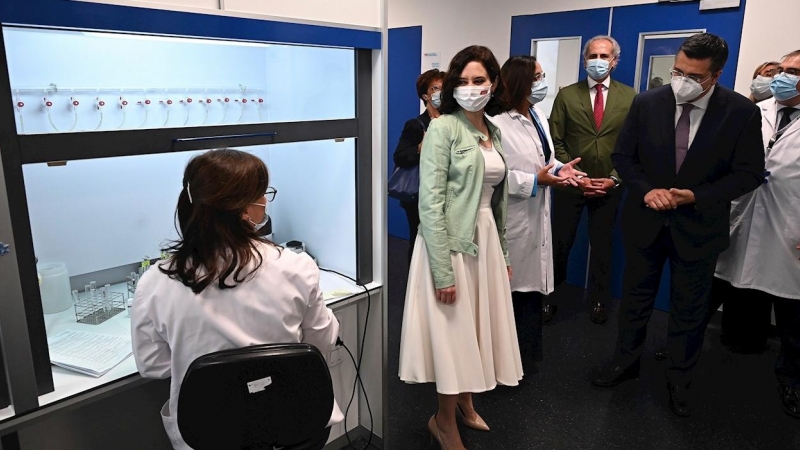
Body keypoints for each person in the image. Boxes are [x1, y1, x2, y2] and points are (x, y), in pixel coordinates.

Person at [596, 33, 765, 418]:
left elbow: (749, 173)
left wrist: (696, 196)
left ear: (715, 75)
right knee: (635, 302)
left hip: (699, 225)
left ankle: (679, 380)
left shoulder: (740, 112)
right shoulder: (648, 102)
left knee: (689, 310)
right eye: (678, 70)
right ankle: (625, 363)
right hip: (646, 221)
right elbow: (624, 157)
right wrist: (646, 190)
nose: (682, 80)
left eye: (693, 75)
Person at [131, 149, 342, 449]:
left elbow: (153, 366)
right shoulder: (296, 267)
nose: (266, 201)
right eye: (262, 194)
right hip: (292, 423)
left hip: (207, 433)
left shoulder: (156, 281)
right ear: (244, 210)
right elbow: (321, 343)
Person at [398, 45, 522, 450]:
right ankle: (443, 421)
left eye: (479, 81)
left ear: (493, 83)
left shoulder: (492, 130)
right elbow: (429, 203)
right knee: (453, 336)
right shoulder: (443, 128)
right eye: (464, 82)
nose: (471, 89)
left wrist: (501, 254)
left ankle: (466, 404)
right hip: (450, 243)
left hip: (483, 240)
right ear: (453, 86)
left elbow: (497, 202)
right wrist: (442, 270)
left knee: (475, 328)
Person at [714, 49, 800, 419]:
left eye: (793, 71)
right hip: (739, 217)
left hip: (790, 228)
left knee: (794, 313)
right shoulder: (755, 112)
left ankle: (792, 379)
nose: (783, 76)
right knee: (712, 285)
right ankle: (680, 349)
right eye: (781, 69)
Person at [490, 55, 585, 371]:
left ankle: (523, 360)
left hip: (536, 215)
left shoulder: (538, 115)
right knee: (509, 295)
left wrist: (562, 170)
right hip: (513, 218)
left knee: (529, 295)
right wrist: (536, 181)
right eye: (537, 77)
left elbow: (544, 159)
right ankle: (500, 362)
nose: (543, 83)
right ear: (518, 82)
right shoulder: (496, 123)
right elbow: (493, 173)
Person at [546, 35, 637, 324]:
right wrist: (571, 174)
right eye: (593, 56)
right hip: (570, 184)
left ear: (614, 61)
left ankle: (599, 300)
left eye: (604, 56)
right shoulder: (567, 95)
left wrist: (615, 178)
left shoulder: (630, 97)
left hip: (609, 186)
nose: (598, 61)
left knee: (603, 246)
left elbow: (634, 143)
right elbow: (555, 140)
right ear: (585, 60)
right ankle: (550, 297)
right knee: (560, 244)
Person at [393, 69, 445, 262]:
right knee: (420, 242)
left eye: (445, 87)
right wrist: (419, 149)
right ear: (426, 95)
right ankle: (413, 288)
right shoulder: (416, 125)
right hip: (419, 195)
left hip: (445, 193)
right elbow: (399, 157)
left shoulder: (454, 122)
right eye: (436, 88)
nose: (442, 92)